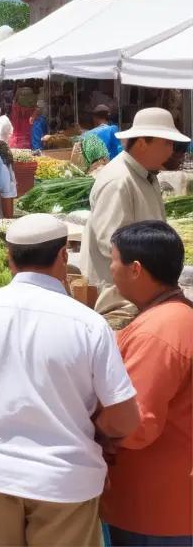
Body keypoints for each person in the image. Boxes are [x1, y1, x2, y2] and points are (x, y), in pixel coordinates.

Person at [0, 214, 139, 547]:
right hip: (64, 482)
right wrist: (94, 427)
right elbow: (125, 418)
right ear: (64, 256)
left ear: (9, 258)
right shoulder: (89, 324)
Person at [97, 221, 192, 547]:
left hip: (154, 508)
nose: (110, 268)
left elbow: (137, 424)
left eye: (113, 259)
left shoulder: (159, 331)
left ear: (135, 269)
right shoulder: (176, 316)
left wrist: (95, 428)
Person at [78, 107, 190, 329]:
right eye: (167, 143)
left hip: (143, 292)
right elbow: (111, 244)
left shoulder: (147, 175)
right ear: (141, 143)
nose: (172, 151)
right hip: (120, 299)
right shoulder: (119, 181)